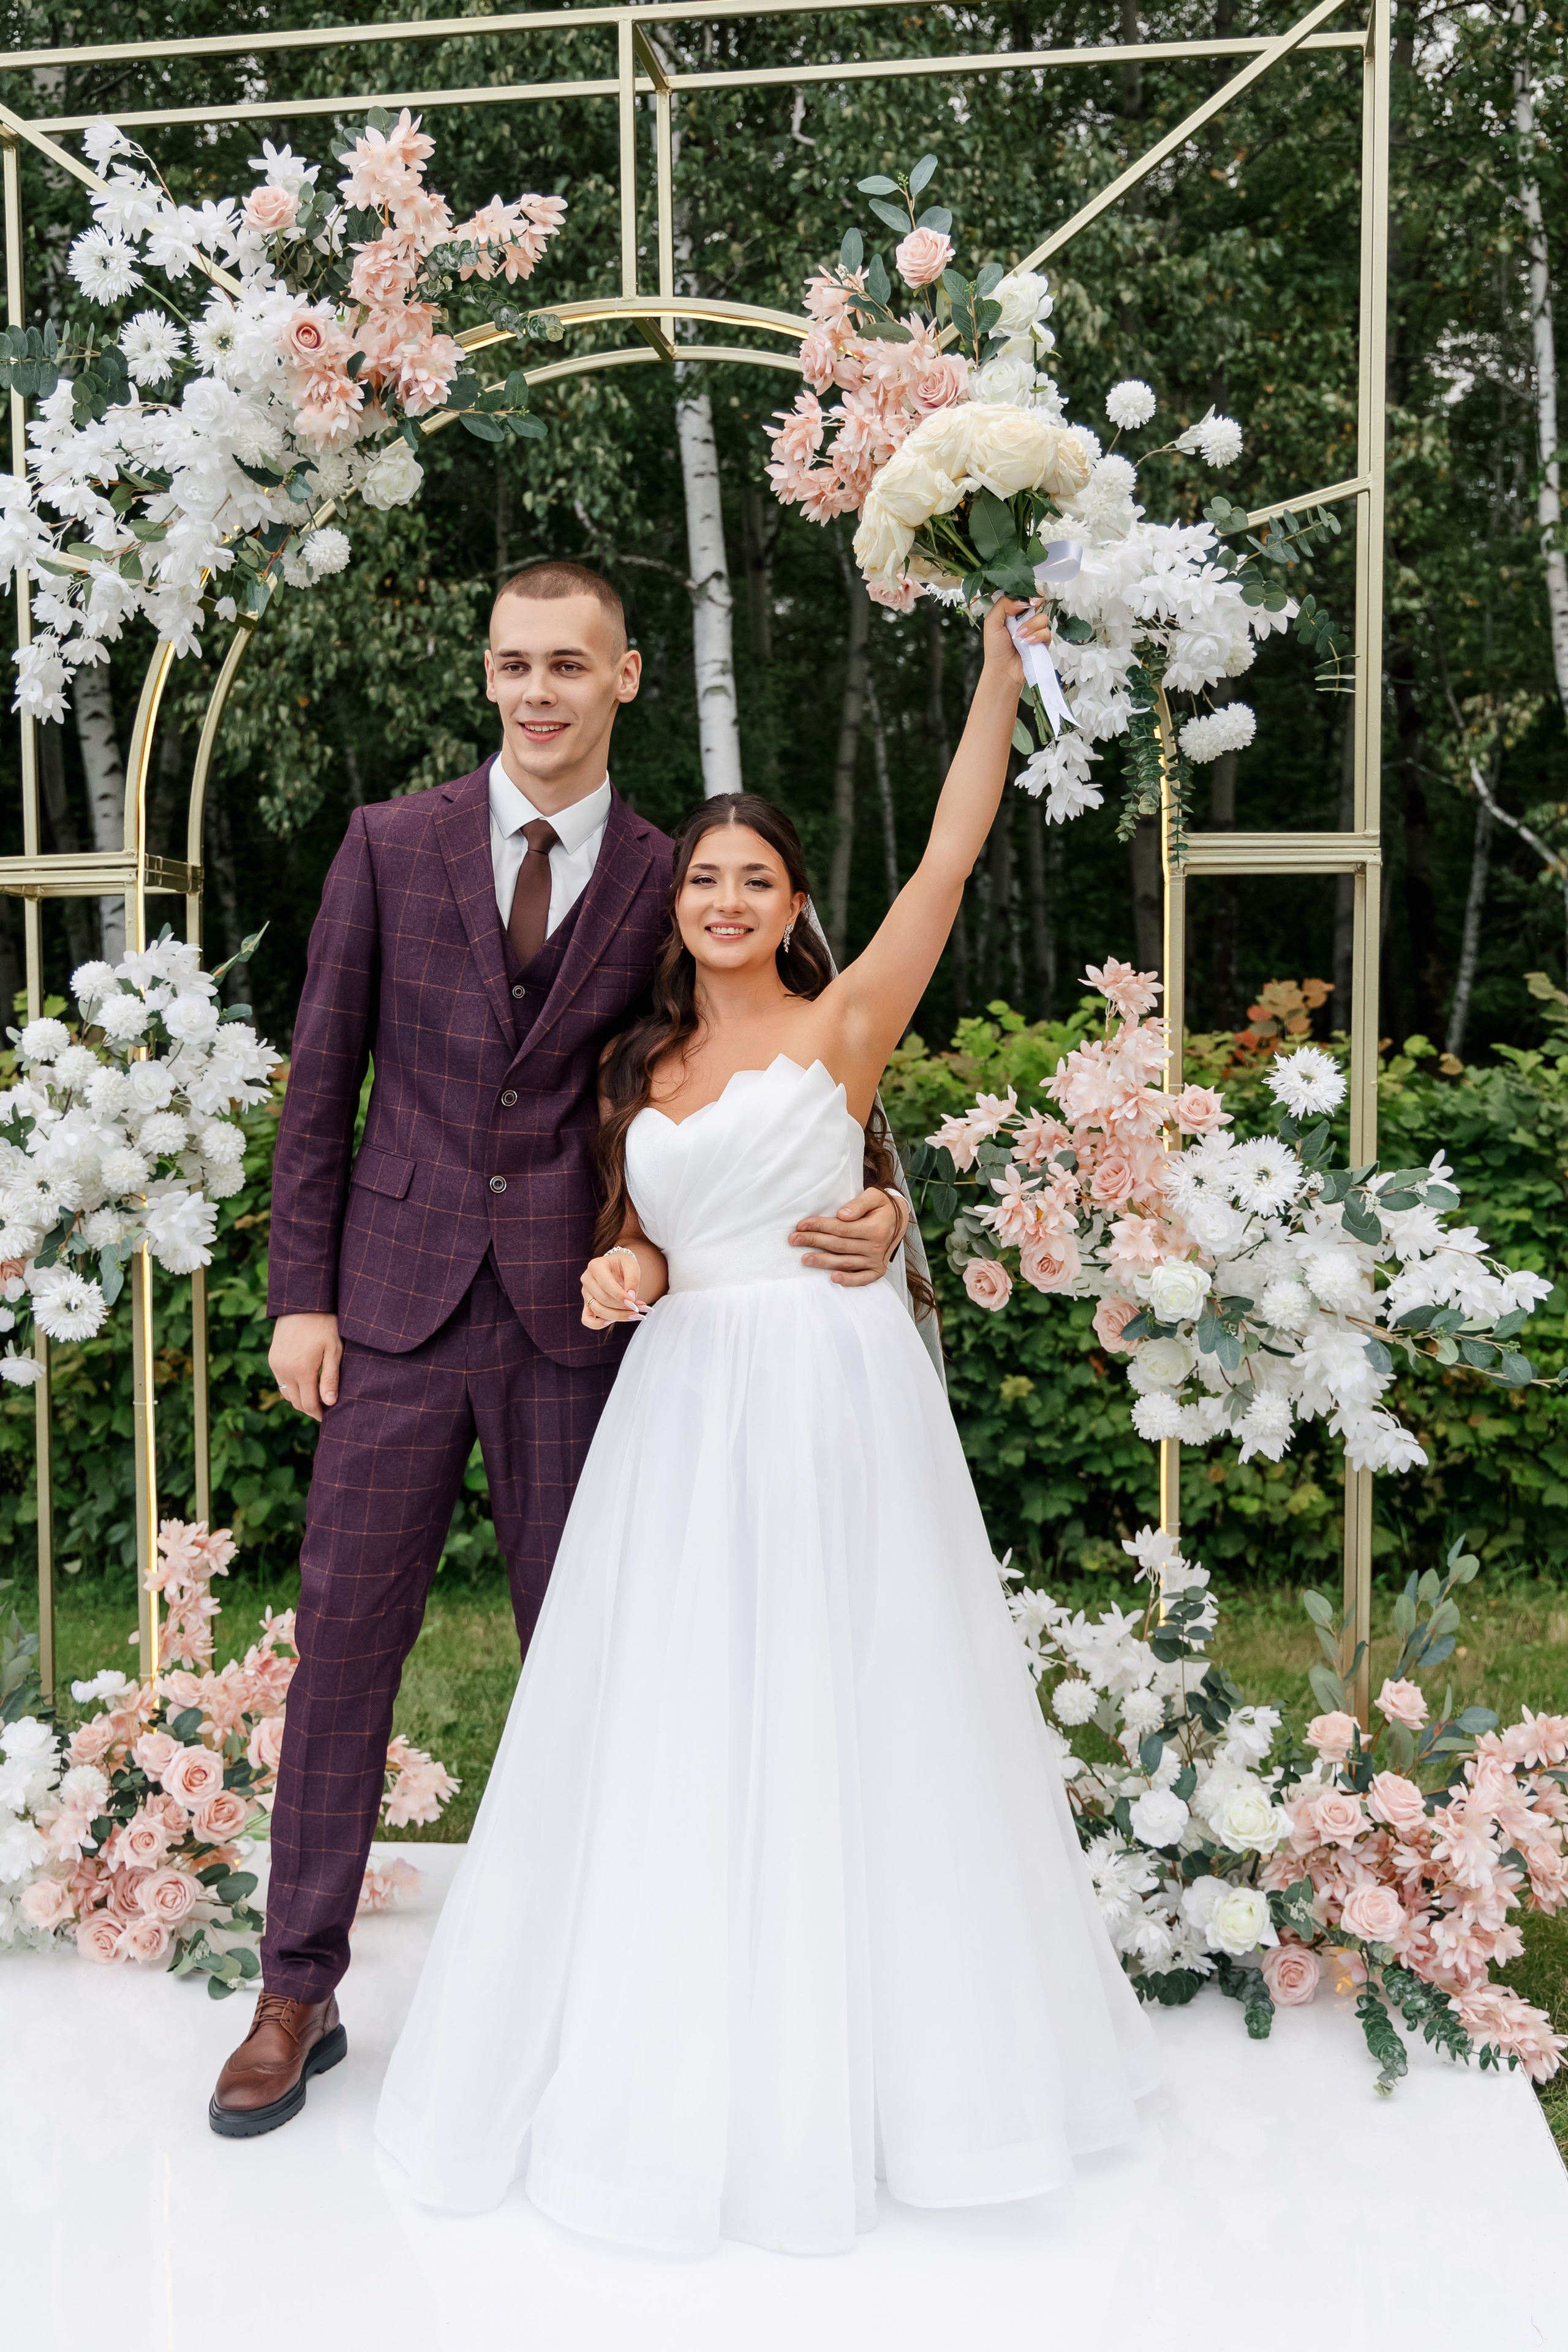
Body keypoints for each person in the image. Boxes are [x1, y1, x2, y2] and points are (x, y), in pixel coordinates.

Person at [374, 595, 1161, 2255]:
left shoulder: (845, 1026)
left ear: (795, 904)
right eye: (705, 879)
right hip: (681, 1411)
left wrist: (1000, 675)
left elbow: (950, 856)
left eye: (758, 879)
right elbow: (633, 1231)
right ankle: (682, 2037)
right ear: (676, 904)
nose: (726, 899)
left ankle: (890, 2069)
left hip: (826, 1397)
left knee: (857, 1692)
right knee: (692, 1702)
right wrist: (625, 1266)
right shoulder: (632, 1069)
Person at [209, 562, 905, 2139]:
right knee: (342, 1652)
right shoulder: (389, 848)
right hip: (388, 1304)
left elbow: (792, 1058)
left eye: (569, 667)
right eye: (513, 665)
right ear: (487, 678)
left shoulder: (678, 873)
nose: (538, 692)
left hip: (583, 1321)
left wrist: (877, 1203)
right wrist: (298, 1296)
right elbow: (320, 1084)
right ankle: (295, 1987)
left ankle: (594, 1984)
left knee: (596, 1659)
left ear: (627, 678)